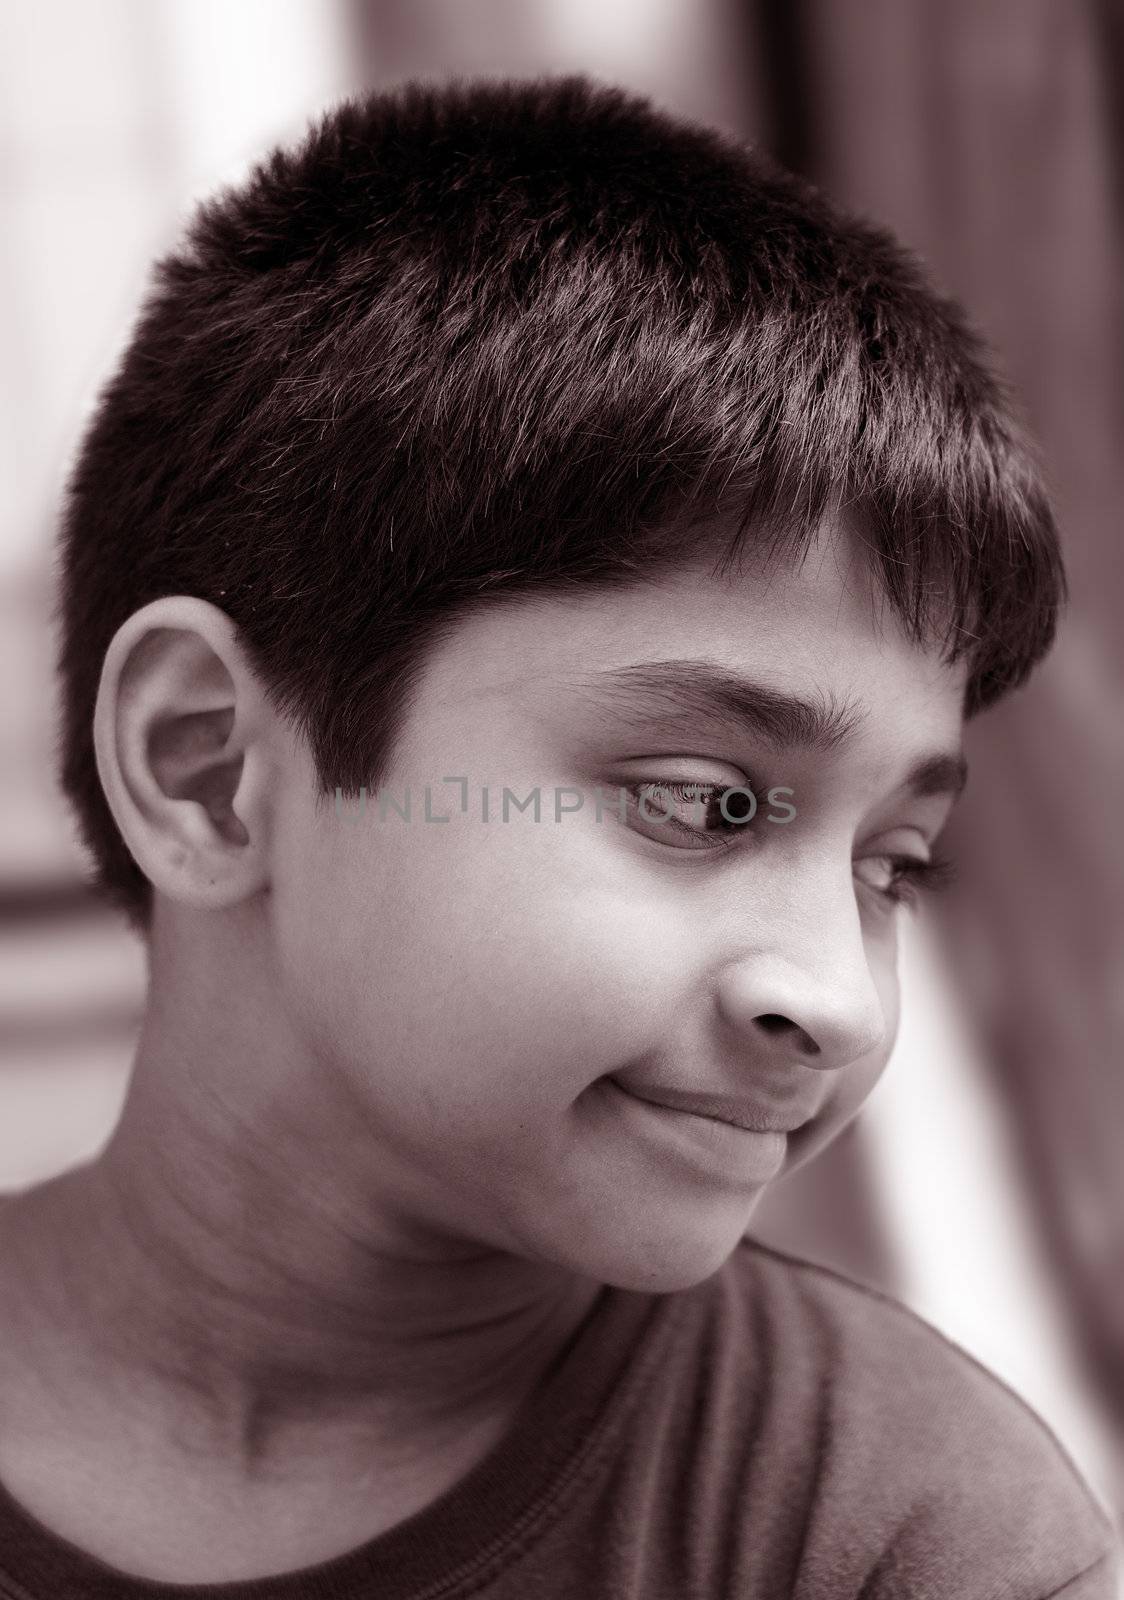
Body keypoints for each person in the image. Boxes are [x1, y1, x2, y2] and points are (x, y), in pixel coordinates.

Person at [0, 75, 1115, 1599]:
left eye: (892, 868)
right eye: (703, 802)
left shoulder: (901, 1537)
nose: (839, 999)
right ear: (206, 770)